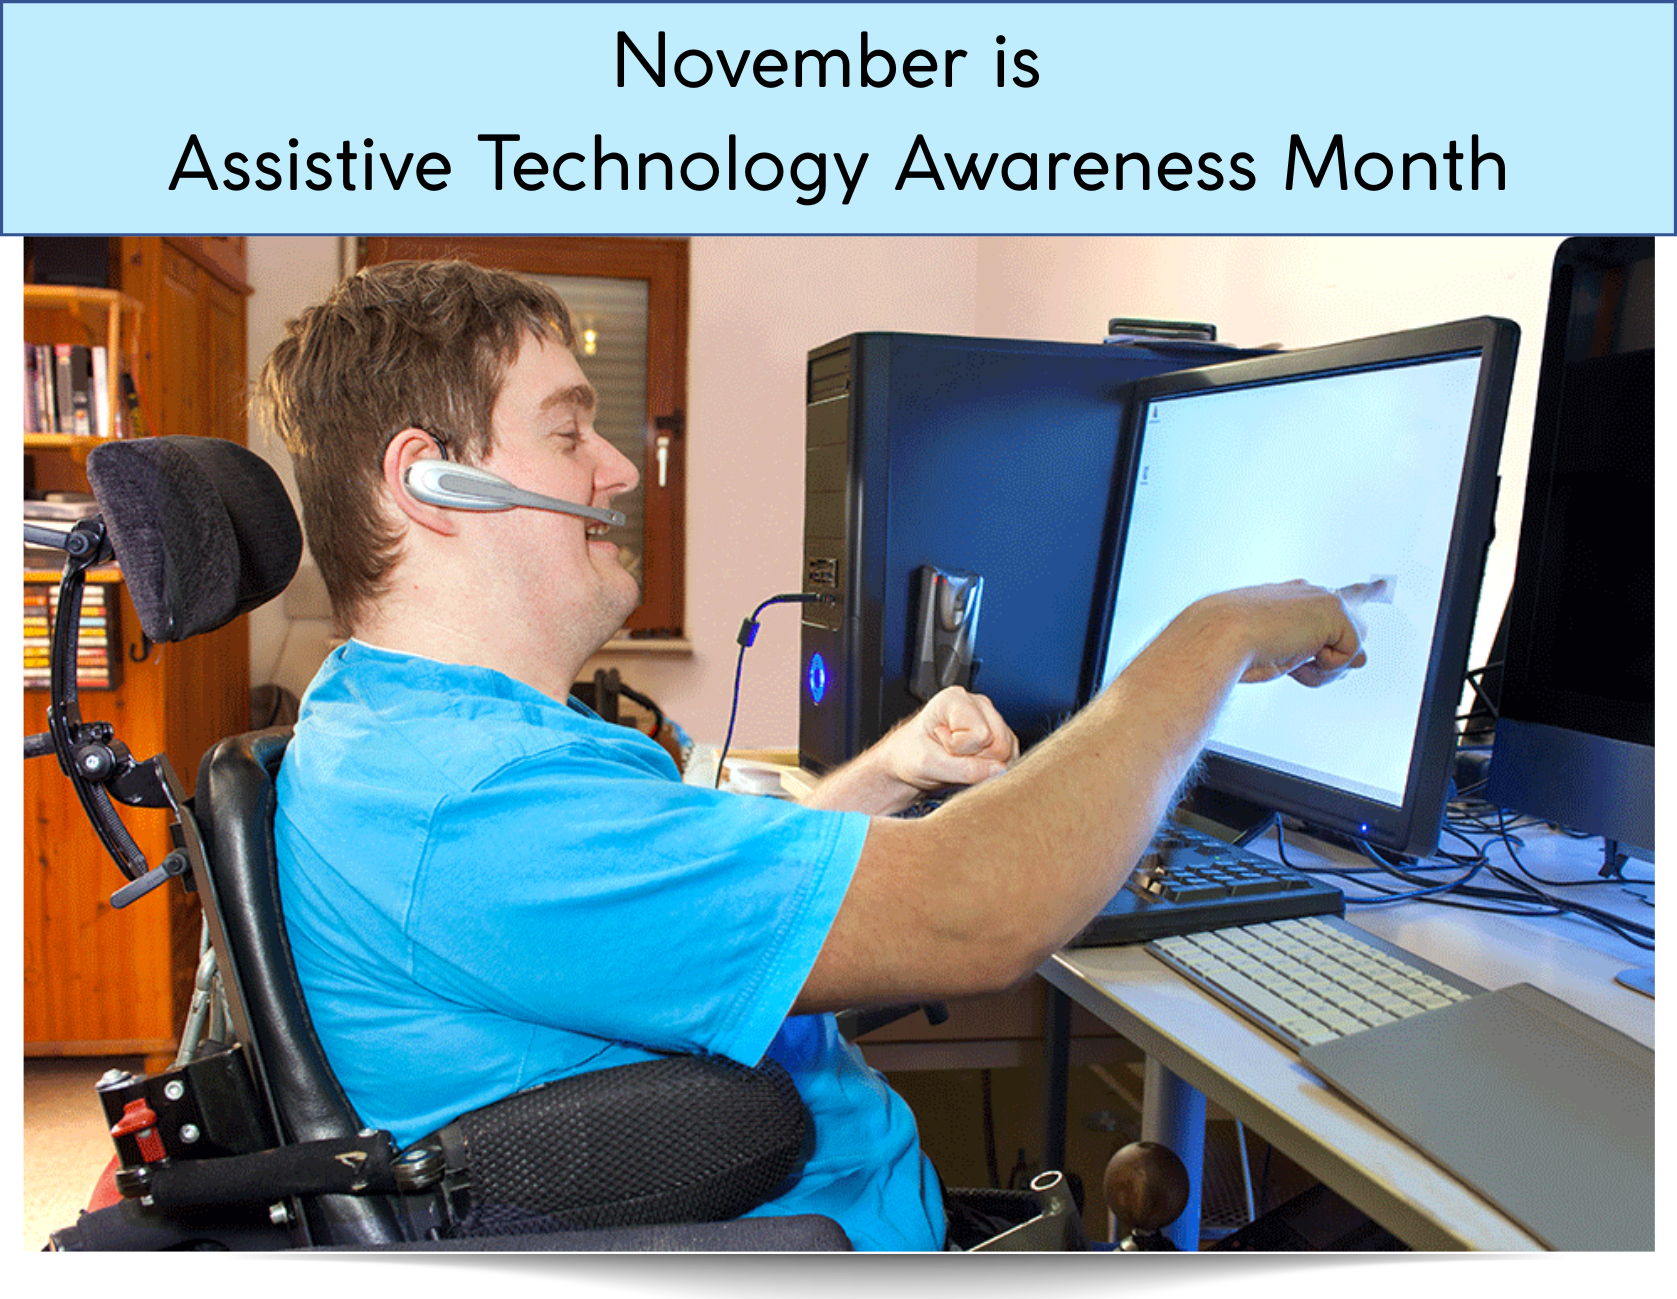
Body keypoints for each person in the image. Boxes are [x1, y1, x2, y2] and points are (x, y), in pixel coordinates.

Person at [258, 259, 1375, 1251]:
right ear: (429, 483)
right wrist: (1212, 637)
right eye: (567, 432)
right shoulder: (476, 805)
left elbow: (682, 912)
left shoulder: (399, 730)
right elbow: (984, 909)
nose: (619, 469)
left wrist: (889, 770)